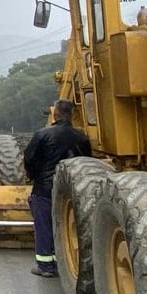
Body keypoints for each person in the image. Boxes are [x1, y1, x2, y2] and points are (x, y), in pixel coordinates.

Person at [23, 99, 91, 278]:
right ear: (72, 114)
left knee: (44, 225)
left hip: (45, 189)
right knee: (68, 226)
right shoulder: (82, 138)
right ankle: (66, 263)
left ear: (55, 113)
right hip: (73, 191)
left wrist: (33, 176)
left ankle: (45, 266)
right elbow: (87, 162)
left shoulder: (43, 135)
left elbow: (30, 159)